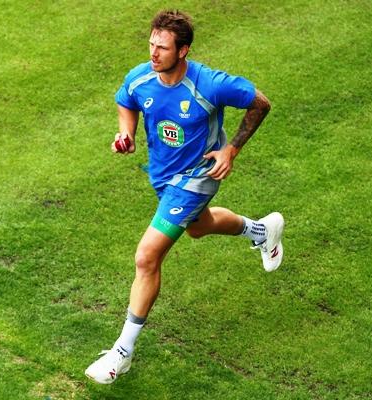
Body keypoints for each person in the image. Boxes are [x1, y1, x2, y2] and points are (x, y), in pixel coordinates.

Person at [85, 9, 284, 384]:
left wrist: (231, 150)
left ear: (184, 51)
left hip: (197, 177)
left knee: (146, 256)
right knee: (198, 227)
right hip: (163, 176)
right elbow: (125, 99)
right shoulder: (141, 77)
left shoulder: (210, 84)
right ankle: (262, 232)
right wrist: (125, 133)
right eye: (151, 44)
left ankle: (121, 352)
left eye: (162, 48)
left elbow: (261, 102)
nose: (154, 53)